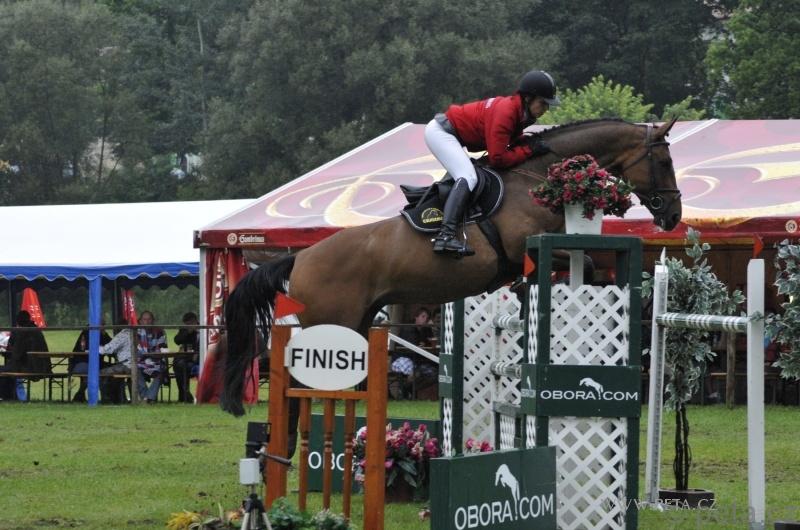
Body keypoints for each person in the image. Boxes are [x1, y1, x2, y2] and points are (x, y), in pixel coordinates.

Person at [425, 70, 559, 256]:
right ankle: (445, 236)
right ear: (528, 98)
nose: (546, 109)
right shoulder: (507, 112)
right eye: (543, 103)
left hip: (451, 135)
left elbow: (509, 142)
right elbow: (498, 158)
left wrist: (527, 144)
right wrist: (529, 150)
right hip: (441, 133)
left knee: (469, 174)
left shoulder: (518, 112)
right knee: (468, 177)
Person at [0, 311, 49, 400]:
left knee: (4, 370)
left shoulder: (23, 333)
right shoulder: (36, 330)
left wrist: (7, 353)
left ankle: (8, 397)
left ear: (18, 321)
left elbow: (17, 354)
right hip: (43, 366)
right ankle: (11, 396)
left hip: (30, 367)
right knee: (6, 370)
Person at [69, 326, 112, 403]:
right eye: (102, 324)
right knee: (94, 373)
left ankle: (79, 396)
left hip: (97, 363)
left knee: (110, 369)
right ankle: (105, 397)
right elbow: (83, 349)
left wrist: (104, 334)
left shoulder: (103, 334)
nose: (104, 326)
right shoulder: (86, 333)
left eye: (104, 324)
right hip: (82, 362)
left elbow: (111, 345)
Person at [135, 310, 167, 403]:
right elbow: (136, 350)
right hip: (141, 362)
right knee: (135, 370)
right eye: (144, 319)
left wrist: (152, 354)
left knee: (162, 371)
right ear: (140, 321)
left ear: (153, 320)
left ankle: (147, 398)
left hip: (156, 361)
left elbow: (162, 347)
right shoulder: (136, 333)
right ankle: (147, 398)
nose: (147, 321)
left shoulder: (159, 332)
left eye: (149, 319)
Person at [172, 311, 199, 403]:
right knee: (178, 365)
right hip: (186, 358)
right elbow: (177, 340)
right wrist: (187, 332)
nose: (188, 325)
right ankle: (185, 394)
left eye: (190, 323)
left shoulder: (202, 328)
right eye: (186, 324)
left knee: (180, 366)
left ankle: (184, 395)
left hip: (198, 358)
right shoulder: (185, 330)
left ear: (195, 321)